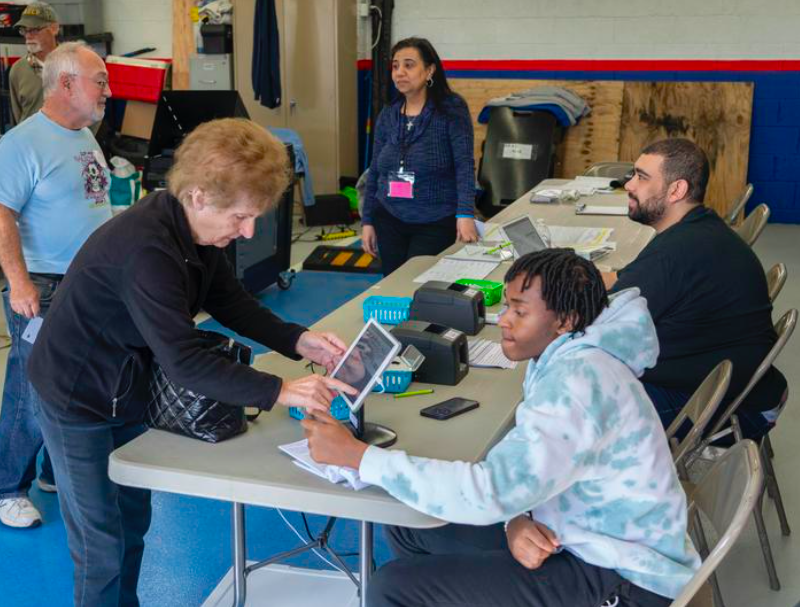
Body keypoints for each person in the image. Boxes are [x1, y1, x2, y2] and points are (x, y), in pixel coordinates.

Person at [26, 118, 357, 607]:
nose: (247, 230)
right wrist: (282, 391)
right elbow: (184, 362)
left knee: (133, 521)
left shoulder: (192, 233)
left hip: (126, 385)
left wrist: (299, 340)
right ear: (199, 196)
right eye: (241, 217)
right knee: (101, 543)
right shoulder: (148, 249)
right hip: (77, 397)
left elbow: (232, 302)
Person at [305, 249, 700, 607]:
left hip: (623, 577)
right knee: (409, 528)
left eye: (520, 312)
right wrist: (515, 520)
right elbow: (527, 475)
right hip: (576, 531)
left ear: (565, 320)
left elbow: (489, 492)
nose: (504, 321)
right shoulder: (575, 356)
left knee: (392, 587)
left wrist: (359, 457)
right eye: (507, 307)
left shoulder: (576, 385)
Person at [0, 41, 113, 528]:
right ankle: (3, 488)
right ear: (65, 84)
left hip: (86, 284)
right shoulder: (22, 143)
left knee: (79, 382)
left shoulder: (83, 135)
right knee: (31, 391)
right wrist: (19, 284)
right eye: (98, 80)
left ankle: (55, 469)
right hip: (44, 286)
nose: (107, 89)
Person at [604, 138, 787, 441]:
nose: (629, 186)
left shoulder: (676, 254)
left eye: (641, 177)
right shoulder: (698, 229)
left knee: (576, 404)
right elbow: (625, 281)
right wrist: (569, 273)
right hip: (745, 389)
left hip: (735, 410)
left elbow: (601, 323)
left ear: (676, 190)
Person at [361, 37, 478, 276]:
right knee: (393, 284)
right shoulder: (389, 114)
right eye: (395, 66)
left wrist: (465, 213)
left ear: (429, 70)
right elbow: (374, 170)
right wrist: (368, 221)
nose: (400, 72)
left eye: (409, 65)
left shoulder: (451, 109)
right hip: (389, 217)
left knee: (418, 284)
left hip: (434, 220)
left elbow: (464, 165)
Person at [9, 1, 59, 124]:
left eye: (35, 30)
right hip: (31, 142)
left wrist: (79, 141)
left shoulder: (74, 64)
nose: (28, 36)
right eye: (24, 30)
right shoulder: (17, 70)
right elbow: (18, 116)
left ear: (54, 28)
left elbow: (92, 109)